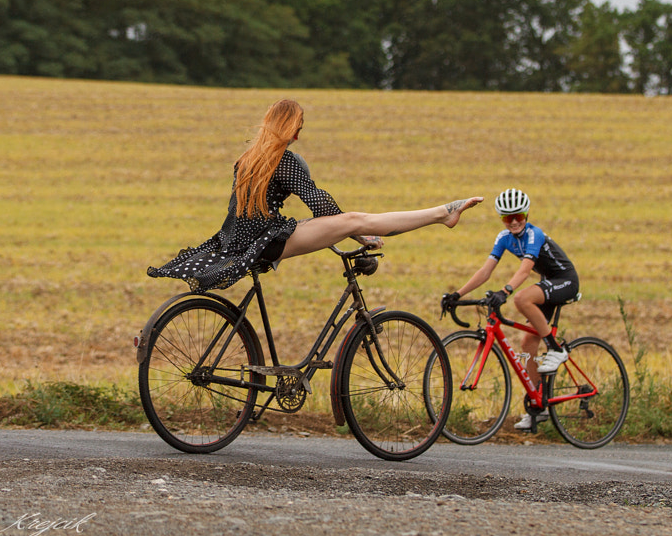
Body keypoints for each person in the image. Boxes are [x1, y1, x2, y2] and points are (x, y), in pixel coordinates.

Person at [148, 99, 482, 292]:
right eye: (299, 126)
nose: (299, 133)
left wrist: (339, 234)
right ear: (289, 126)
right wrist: (355, 230)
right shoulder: (284, 161)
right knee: (356, 219)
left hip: (236, 242)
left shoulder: (248, 159)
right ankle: (442, 214)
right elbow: (321, 204)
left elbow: (306, 220)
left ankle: (435, 215)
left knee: (339, 224)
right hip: (267, 242)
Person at [441, 188, 579, 430]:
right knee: (527, 344)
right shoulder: (504, 238)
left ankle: (557, 350)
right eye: (507, 218)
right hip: (548, 283)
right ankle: (540, 406)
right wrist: (457, 294)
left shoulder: (534, 235)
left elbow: (525, 270)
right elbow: (486, 271)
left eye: (519, 216)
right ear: (502, 219)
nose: (514, 222)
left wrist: (505, 292)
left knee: (521, 299)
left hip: (565, 280)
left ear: (526, 215)